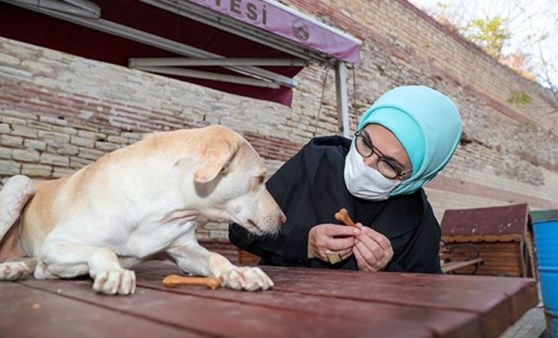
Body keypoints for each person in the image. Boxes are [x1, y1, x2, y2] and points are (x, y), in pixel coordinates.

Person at [229, 85, 462, 273]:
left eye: (390, 165)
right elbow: (239, 230)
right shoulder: (314, 161)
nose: (366, 164)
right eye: (366, 143)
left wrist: (387, 270)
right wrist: (305, 244)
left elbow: (426, 303)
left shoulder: (419, 222)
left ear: (415, 178)